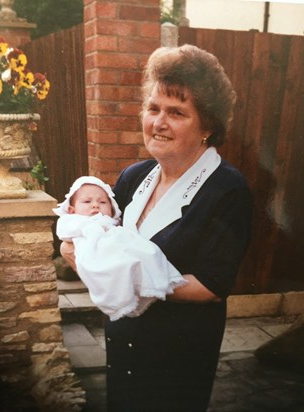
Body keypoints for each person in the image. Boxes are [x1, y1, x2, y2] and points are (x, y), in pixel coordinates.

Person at [61, 44, 252, 412]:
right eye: (153, 109)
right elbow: (104, 244)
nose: (158, 122)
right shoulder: (134, 177)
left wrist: (134, 278)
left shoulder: (227, 189)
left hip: (177, 354)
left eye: (176, 112)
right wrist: (79, 251)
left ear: (207, 125)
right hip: (123, 340)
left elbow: (212, 286)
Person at [54, 176, 186, 321]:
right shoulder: (73, 221)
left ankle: (151, 280)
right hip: (96, 249)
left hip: (117, 246)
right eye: (87, 201)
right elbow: (67, 233)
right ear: (72, 210)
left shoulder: (114, 226)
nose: (95, 205)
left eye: (103, 202)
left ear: (112, 210)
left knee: (146, 253)